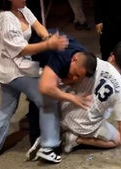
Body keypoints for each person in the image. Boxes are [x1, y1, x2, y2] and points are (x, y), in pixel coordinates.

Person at [0, 0, 68, 155]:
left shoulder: (22, 9)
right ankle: (49, 147)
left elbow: (38, 26)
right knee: (47, 98)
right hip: (14, 71)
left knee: (5, 110)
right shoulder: (5, 18)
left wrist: (48, 37)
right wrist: (49, 45)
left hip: (17, 67)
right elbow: (21, 50)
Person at [59, 41, 121, 169]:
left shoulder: (93, 62)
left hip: (63, 110)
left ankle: (61, 129)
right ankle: (75, 139)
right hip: (83, 125)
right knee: (116, 139)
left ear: (112, 56)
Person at [25, 31, 97, 163]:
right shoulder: (62, 55)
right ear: (74, 60)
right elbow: (45, 87)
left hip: (42, 61)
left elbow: (72, 75)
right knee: (43, 99)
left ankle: (44, 140)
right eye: (74, 73)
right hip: (24, 59)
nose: (74, 78)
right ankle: (37, 140)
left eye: (78, 76)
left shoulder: (83, 57)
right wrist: (71, 97)